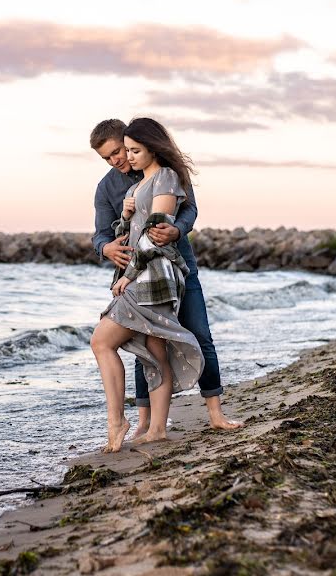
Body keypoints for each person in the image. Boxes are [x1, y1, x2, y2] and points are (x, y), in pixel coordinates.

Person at [90, 118, 242, 447]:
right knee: (148, 346)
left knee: (199, 334)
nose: (117, 160)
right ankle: (148, 423)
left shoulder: (164, 173)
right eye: (108, 157)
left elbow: (186, 213)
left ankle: (215, 413)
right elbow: (103, 234)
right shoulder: (109, 188)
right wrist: (107, 247)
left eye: (120, 151)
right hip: (136, 274)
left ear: (131, 141)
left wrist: (175, 230)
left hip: (173, 268)